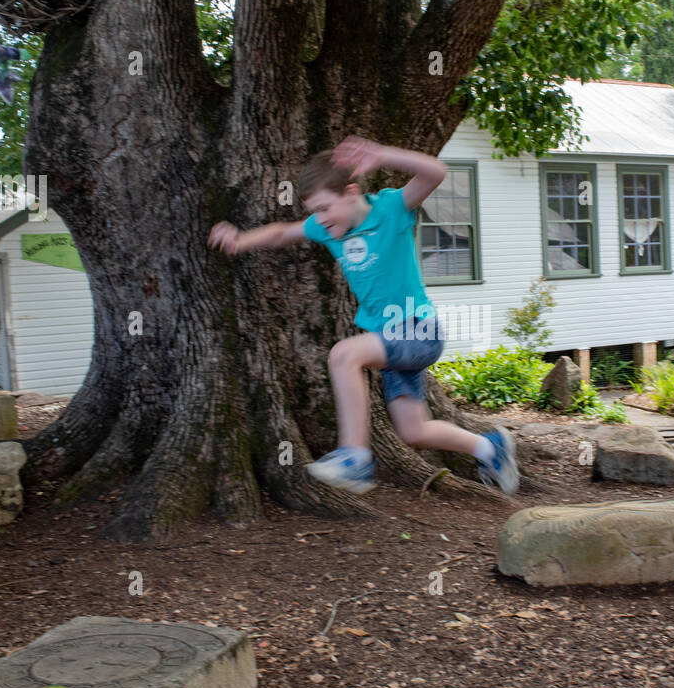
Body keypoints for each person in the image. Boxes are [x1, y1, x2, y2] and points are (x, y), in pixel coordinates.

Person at [207, 135, 518, 495]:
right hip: (392, 345)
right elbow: (280, 233)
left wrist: (385, 154)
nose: (319, 220)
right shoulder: (328, 230)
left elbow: (435, 172)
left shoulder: (391, 209)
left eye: (325, 208)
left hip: (418, 330)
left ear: (351, 191)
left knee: (343, 355)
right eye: (314, 211)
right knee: (413, 431)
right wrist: (240, 240)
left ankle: (354, 458)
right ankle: (490, 447)